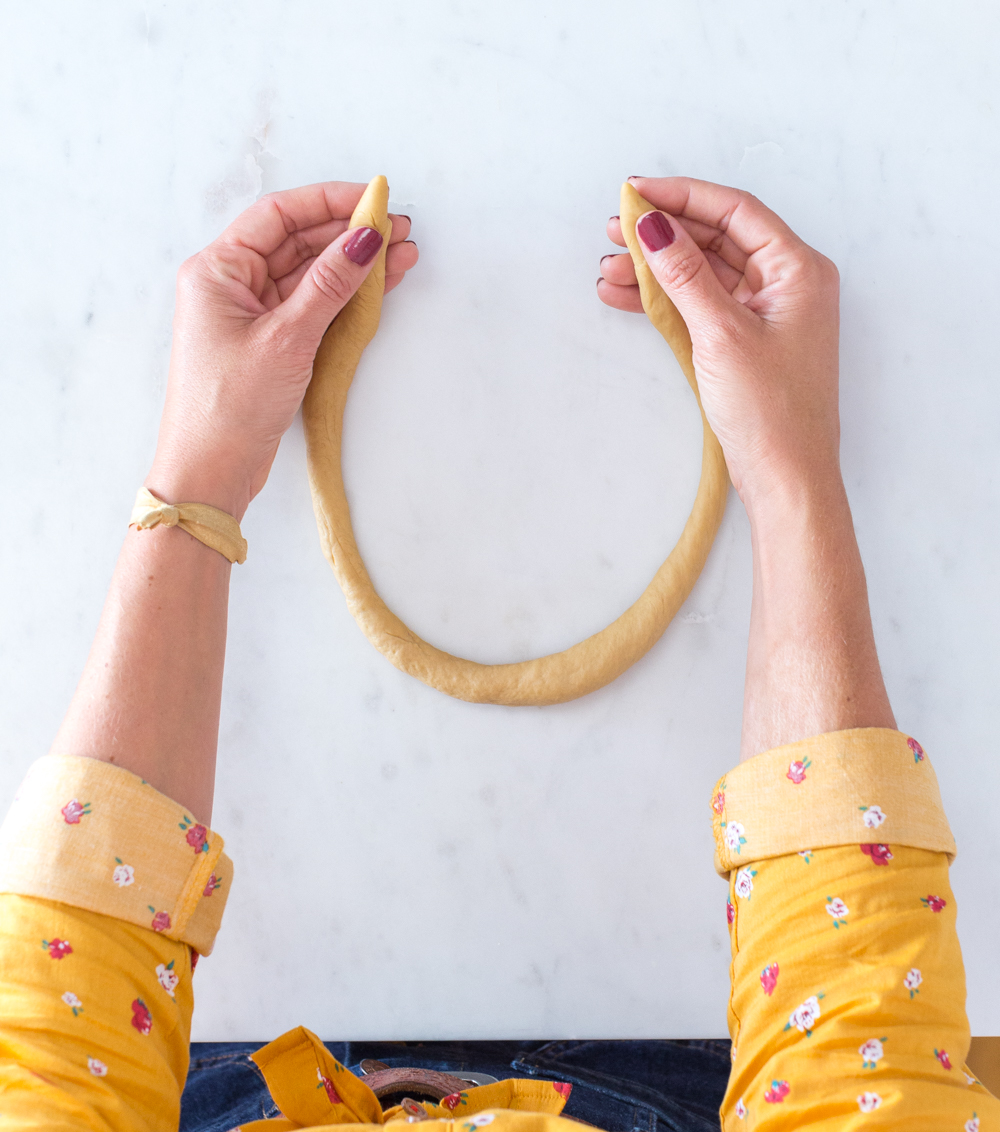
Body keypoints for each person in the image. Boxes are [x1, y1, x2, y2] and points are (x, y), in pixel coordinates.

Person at [0, 175, 993, 1132]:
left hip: (195, 1069)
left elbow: (47, 1042)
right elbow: (867, 1069)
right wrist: (790, 473)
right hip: (684, 1069)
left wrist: (199, 477)